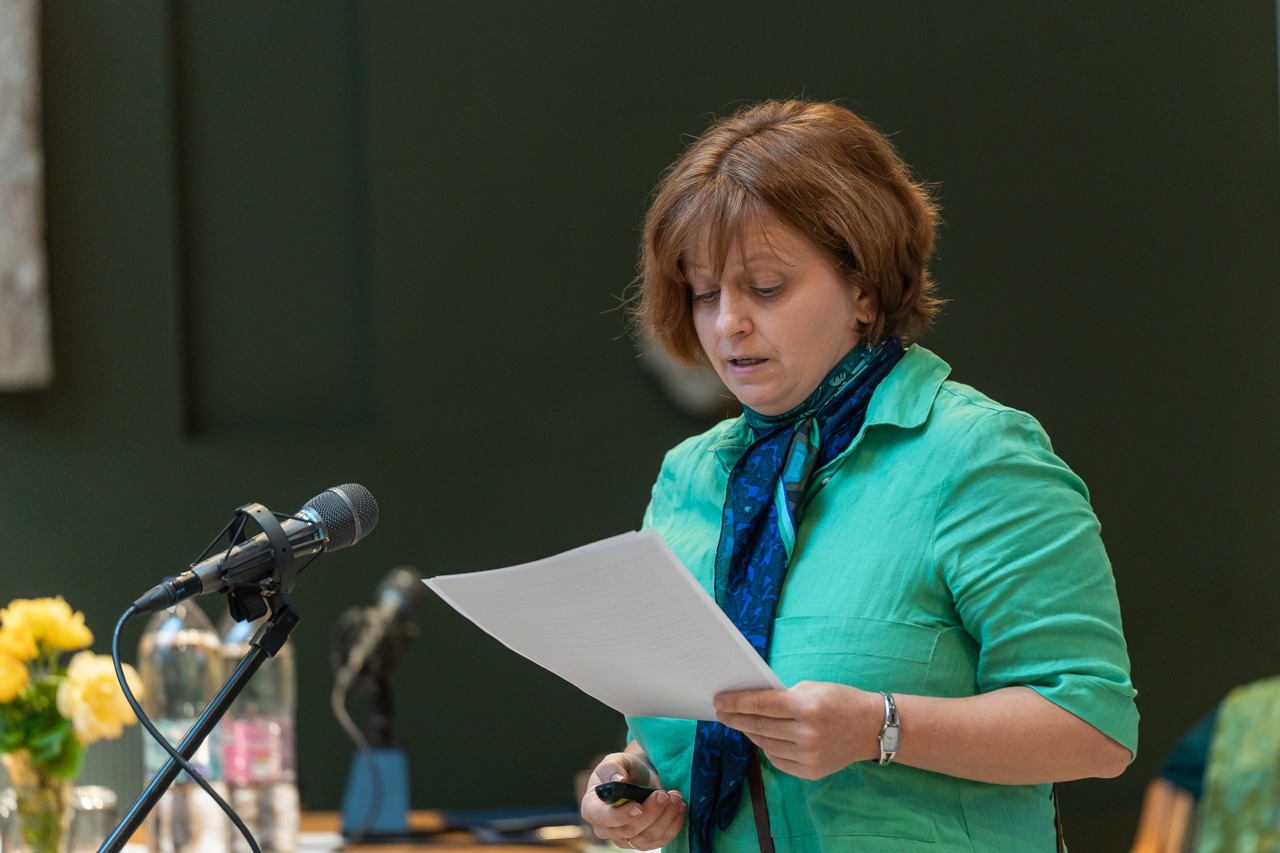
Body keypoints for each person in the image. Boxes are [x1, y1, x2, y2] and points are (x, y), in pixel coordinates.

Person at [578, 99, 1139, 852]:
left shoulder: (975, 453)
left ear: (865, 290)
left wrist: (881, 727)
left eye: (765, 287)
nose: (727, 322)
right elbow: (680, 725)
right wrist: (632, 780)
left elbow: (1095, 728)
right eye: (705, 292)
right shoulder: (690, 477)